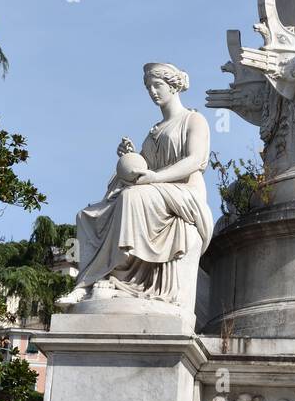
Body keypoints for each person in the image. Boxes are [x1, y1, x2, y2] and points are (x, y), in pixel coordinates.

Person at [61, 62, 212, 313]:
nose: (152, 91)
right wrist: (131, 157)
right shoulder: (153, 132)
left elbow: (195, 161)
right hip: (154, 190)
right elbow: (140, 169)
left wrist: (154, 177)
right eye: (148, 87)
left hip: (184, 192)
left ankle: (105, 271)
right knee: (87, 216)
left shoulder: (194, 119)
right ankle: (88, 282)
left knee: (132, 197)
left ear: (173, 86)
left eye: (157, 85)